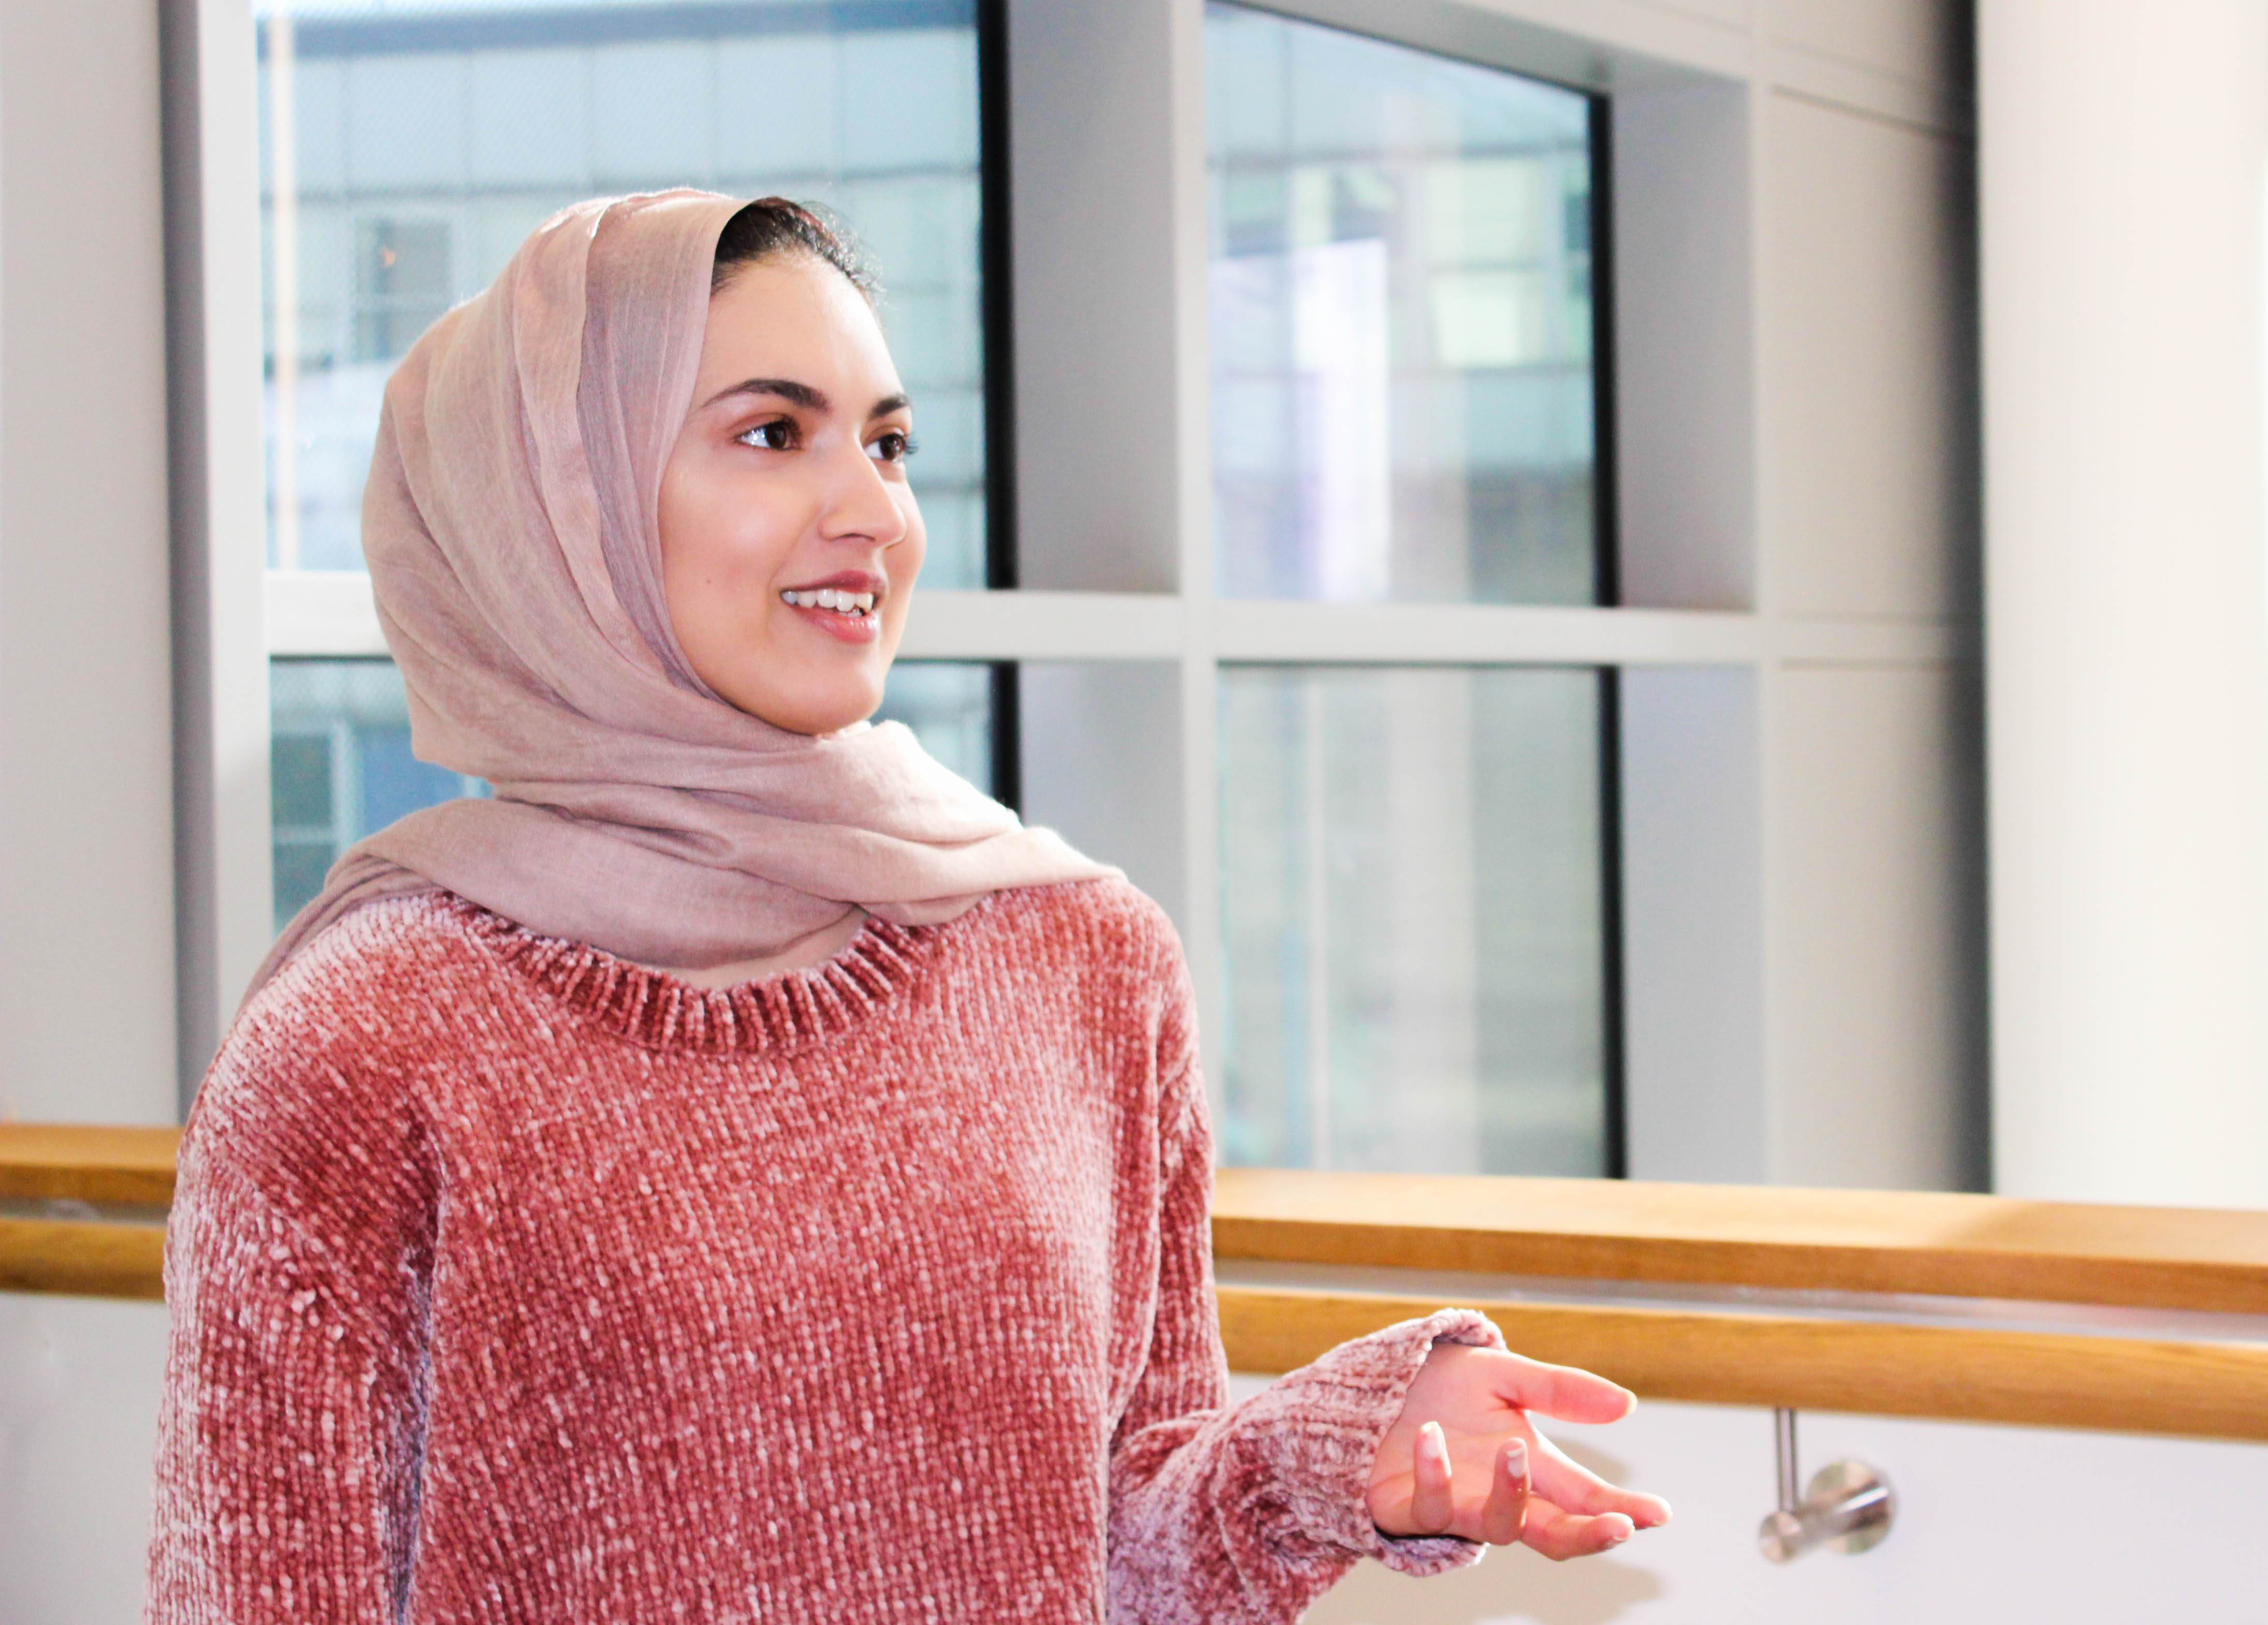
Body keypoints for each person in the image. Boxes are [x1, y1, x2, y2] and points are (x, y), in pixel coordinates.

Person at [148, 189, 1671, 1621]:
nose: (867, 510)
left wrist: (1329, 1459)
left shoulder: (1079, 956)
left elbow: (1121, 1553)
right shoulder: (366, 1049)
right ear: (564, 509)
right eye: (770, 433)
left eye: (887, 443)